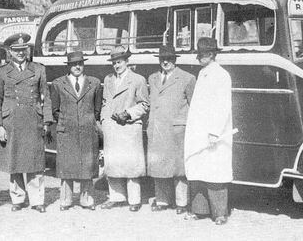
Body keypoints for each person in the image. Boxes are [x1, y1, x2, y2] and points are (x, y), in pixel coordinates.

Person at [0, 33, 53, 213]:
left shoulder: (38, 69)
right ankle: (18, 199)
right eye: (16, 50)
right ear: (10, 51)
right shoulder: (2, 72)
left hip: (33, 119)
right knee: (15, 160)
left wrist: (47, 120)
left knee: (35, 161)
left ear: (27, 50)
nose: (20, 53)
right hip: (11, 120)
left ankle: (37, 200)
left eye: (23, 49)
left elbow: (46, 97)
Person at [184, 37, 233, 225]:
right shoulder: (203, 73)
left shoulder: (221, 75)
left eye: (201, 54)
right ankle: (199, 210)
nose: (198, 57)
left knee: (215, 173)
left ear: (211, 55)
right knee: (198, 171)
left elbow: (223, 106)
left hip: (213, 133)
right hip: (198, 131)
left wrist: (215, 131)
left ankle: (219, 213)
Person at [50, 51, 102, 211]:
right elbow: (55, 110)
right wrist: (68, 121)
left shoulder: (94, 83)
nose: (77, 67)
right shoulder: (58, 84)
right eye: (73, 64)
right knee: (67, 165)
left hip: (88, 130)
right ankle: (66, 200)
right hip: (67, 130)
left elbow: (97, 109)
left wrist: (88, 121)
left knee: (87, 165)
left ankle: (87, 200)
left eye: (80, 63)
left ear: (83, 65)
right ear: (69, 66)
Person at [147, 44, 196, 214]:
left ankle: (182, 203)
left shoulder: (187, 78)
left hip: (177, 130)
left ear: (175, 60)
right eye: (162, 59)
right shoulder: (152, 78)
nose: (165, 62)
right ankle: (162, 201)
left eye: (169, 59)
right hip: (157, 128)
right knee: (159, 165)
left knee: (178, 168)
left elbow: (193, 106)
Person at [100, 45, 149, 212]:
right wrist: (104, 120)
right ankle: (116, 197)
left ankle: (134, 200)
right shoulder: (108, 79)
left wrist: (128, 114)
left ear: (127, 61)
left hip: (128, 127)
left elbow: (144, 104)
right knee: (113, 163)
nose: (116, 65)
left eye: (119, 62)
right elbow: (105, 102)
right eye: (114, 62)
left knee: (131, 165)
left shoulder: (138, 80)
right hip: (112, 127)